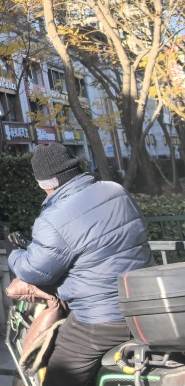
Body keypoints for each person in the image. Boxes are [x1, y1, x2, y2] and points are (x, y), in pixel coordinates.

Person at [9, 143, 153, 386]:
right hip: (145, 306)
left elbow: (33, 271)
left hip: (102, 320)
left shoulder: (54, 218)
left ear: (45, 184)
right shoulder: (116, 191)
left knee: (58, 378)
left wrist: (14, 255)